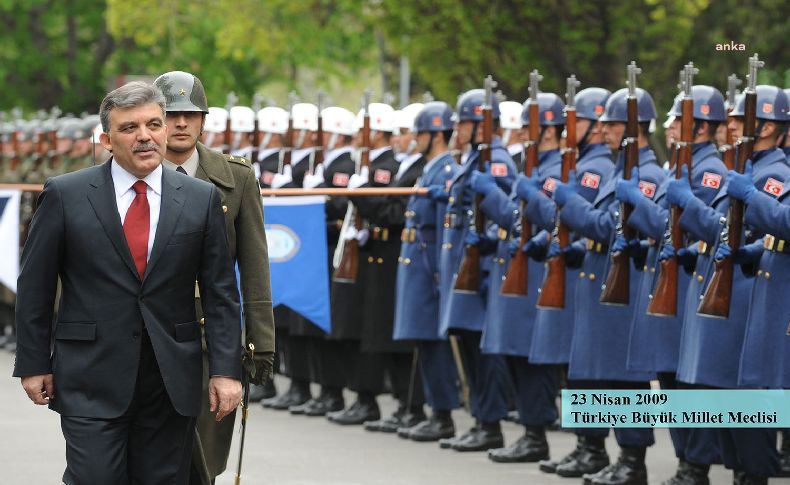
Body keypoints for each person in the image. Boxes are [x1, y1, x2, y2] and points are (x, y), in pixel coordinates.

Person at [13, 81, 243, 485]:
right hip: (90, 376)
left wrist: (227, 370)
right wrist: (33, 362)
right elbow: (35, 285)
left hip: (170, 379)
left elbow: (221, 293)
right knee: (94, 477)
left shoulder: (199, 198)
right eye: (129, 128)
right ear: (106, 139)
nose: (145, 137)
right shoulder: (66, 195)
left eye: (154, 124)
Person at [153, 70, 275, 485]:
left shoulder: (236, 178)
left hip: (209, 333)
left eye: (191, 114)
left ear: (204, 120)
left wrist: (260, 343)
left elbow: (255, 265)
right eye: (171, 114)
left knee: (205, 457)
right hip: (147, 327)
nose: (181, 123)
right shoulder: (131, 174)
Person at [669, 85, 790, 485]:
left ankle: (752, 474)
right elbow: (735, 234)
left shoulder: (772, 173)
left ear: (769, 126)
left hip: (745, 295)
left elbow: (754, 229)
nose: (731, 124)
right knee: (722, 393)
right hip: (728, 284)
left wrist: (692, 206)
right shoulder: (745, 168)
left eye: (741, 118)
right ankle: (743, 473)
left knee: (742, 397)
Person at [553, 86, 665, 485]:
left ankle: (633, 461)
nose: (605, 131)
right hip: (600, 274)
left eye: (614, 124)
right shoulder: (619, 171)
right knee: (597, 367)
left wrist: (573, 205)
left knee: (625, 376)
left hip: (626, 283)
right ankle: (598, 451)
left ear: (634, 128)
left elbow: (611, 226)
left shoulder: (647, 176)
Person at [623, 84, 727, 485]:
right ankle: (687, 461)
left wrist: (639, 208)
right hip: (670, 277)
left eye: (676, 121)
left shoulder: (709, 171)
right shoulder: (681, 168)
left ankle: (695, 465)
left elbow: (688, 230)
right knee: (670, 379)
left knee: (687, 382)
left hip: (689, 280)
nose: (667, 128)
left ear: (699, 126)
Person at [469, 91, 566, 463]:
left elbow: (542, 220)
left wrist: (492, 197)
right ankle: (531, 432)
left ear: (548, 130)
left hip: (538, 271)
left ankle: (537, 434)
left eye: (530, 125)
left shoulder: (555, 170)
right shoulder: (534, 167)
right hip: (518, 267)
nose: (523, 131)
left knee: (533, 358)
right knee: (518, 355)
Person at [438, 88, 515, 452]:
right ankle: (482, 420)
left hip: (482, 268)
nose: (457, 128)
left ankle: (492, 424)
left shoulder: (496, 160)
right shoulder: (473, 159)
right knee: (470, 347)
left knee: (485, 351)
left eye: (463, 121)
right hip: (466, 266)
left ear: (481, 124)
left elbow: (507, 216)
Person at [394, 101, 461, 441]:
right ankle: (436, 410)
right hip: (418, 267)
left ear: (435, 134)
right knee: (426, 341)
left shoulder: (446, 170)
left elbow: (443, 231)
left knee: (435, 344)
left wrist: (439, 274)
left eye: (419, 132)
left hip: (429, 267)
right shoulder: (430, 168)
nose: (414, 138)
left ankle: (443, 414)